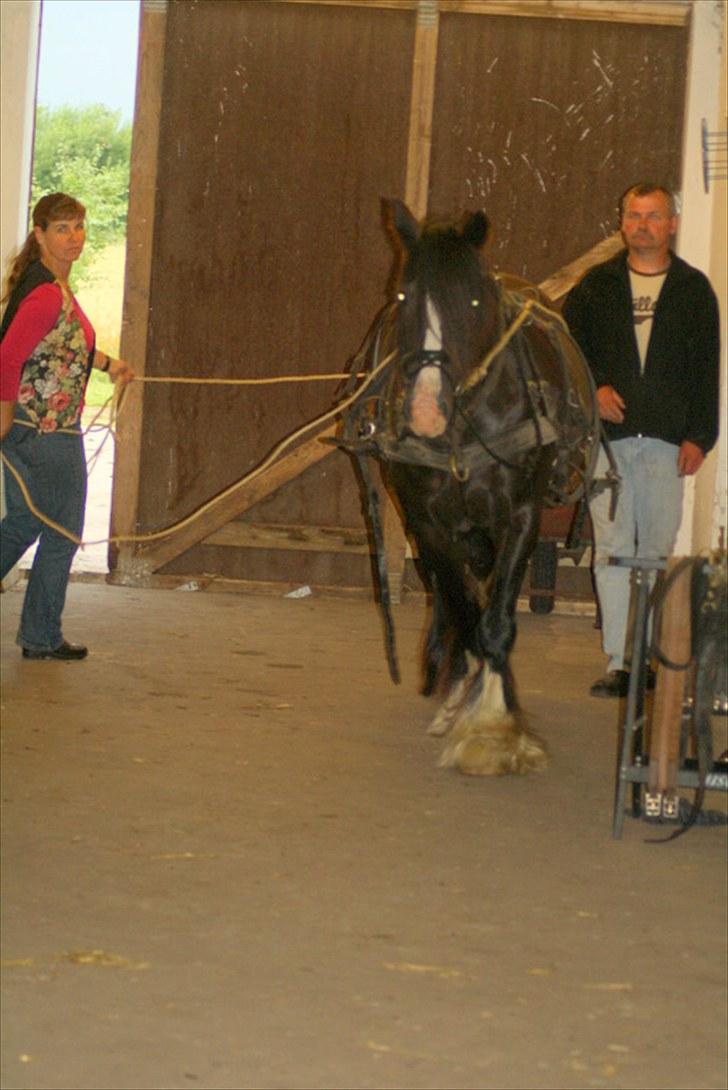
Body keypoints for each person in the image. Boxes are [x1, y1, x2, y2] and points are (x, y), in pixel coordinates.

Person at [563, 182, 720, 698]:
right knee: (609, 549)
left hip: (666, 447)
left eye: (654, 216)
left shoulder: (694, 291)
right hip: (609, 444)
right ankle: (619, 662)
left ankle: (650, 660)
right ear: (621, 222)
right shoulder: (595, 287)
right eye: (634, 215)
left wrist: (700, 436)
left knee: (653, 552)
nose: (643, 225)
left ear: (672, 224)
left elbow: (707, 371)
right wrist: (595, 391)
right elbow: (570, 355)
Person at [0, 192, 134, 660]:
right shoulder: (43, 294)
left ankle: (39, 634)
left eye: (79, 226)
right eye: (62, 228)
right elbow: (8, 358)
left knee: (22, 523)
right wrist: (4, 419)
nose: (73, 237)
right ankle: (40, 637)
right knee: (63, 532)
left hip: (36, 428)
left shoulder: (52, 287)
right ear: (40, 234)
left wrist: (108, 364)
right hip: (47, 432)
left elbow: (61, 349)